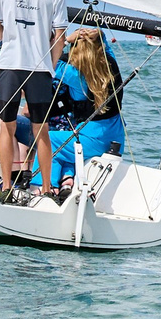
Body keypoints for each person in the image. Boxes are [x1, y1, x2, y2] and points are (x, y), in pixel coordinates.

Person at [0, 0, 66, 200]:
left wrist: (10, 37)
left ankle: (6, 187)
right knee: (41, 129)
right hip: (40, 68)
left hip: (10, 64)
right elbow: (60, 38)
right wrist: (50, 66)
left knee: (6, 126)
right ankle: (47, 188)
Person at [44, 29, 128, 196]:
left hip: (94, 140)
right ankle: (67, 179)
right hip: (116, 138)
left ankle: (47, 186)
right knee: (68, 139)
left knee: (49, 139)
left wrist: (66, 40)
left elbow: (48, 60)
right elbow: (105, 45)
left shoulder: (76, 75)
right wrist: (98, 33)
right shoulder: (111, 65)